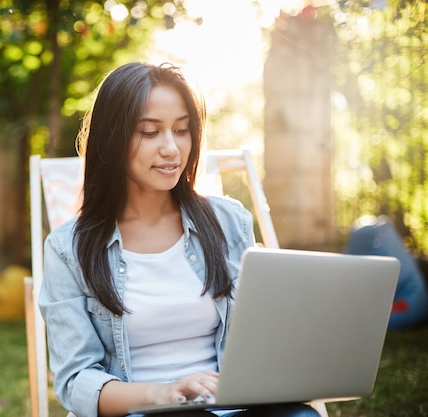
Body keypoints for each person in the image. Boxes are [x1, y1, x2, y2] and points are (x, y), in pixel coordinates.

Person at [38, 62, 320, 417]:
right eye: (150, 132)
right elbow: (76, 381)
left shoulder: (229, 222)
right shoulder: (69, 249)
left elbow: (262, 338)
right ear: (113, 138)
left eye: (182, 130)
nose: (171, 148)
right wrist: (164, 392)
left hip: (232, 408)